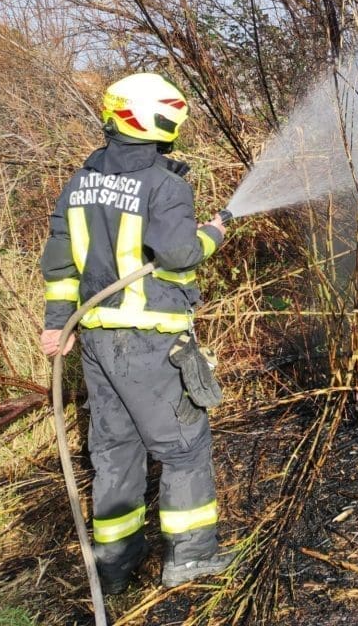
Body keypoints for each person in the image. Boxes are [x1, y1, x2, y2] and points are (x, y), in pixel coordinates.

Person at [40, 72, 232, 593]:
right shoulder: (166, 185)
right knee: (184, 447)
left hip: (96, 342)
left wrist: (57, 324)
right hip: (150, 342)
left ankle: (115, 564)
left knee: (115, 449)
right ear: (162, 122)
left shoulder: (80, 182)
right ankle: (191, 557)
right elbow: (179, 254)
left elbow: (59, 262)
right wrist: (213, 234)